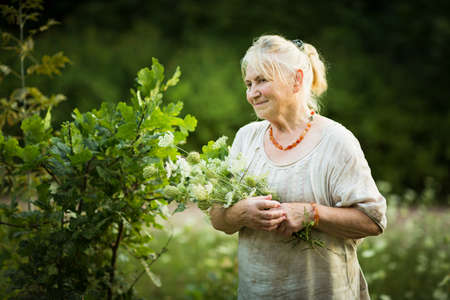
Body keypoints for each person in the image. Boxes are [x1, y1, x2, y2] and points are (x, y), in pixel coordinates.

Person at [209, 35, 387, 300]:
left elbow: (373, 221)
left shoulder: (336, 141)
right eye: (248, 83)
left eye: (262, 81)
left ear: (297, 79)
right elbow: (217, 218)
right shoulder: (246, 138)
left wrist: (311, 214)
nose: (251, 93)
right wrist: (241, 213)